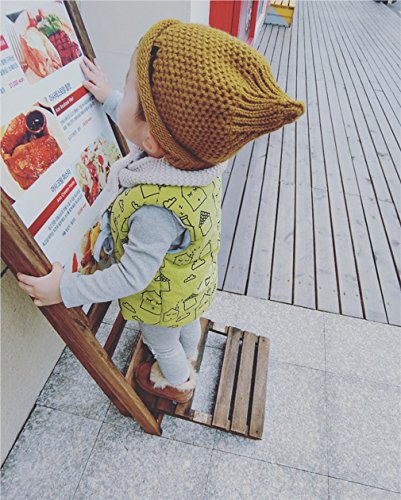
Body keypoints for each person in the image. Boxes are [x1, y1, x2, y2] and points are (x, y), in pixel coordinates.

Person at [17, 19, 305, 403]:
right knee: (186, 322)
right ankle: (189, 347)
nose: (122, 91)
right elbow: (146, 130)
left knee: (162, 340)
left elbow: (131, 277)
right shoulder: (195, 159)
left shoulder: (154, 211)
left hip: (162, 300)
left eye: (128, 88)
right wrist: (108, 96)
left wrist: (63, 289)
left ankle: (178, 381)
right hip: (192, 281)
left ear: (152, 140)